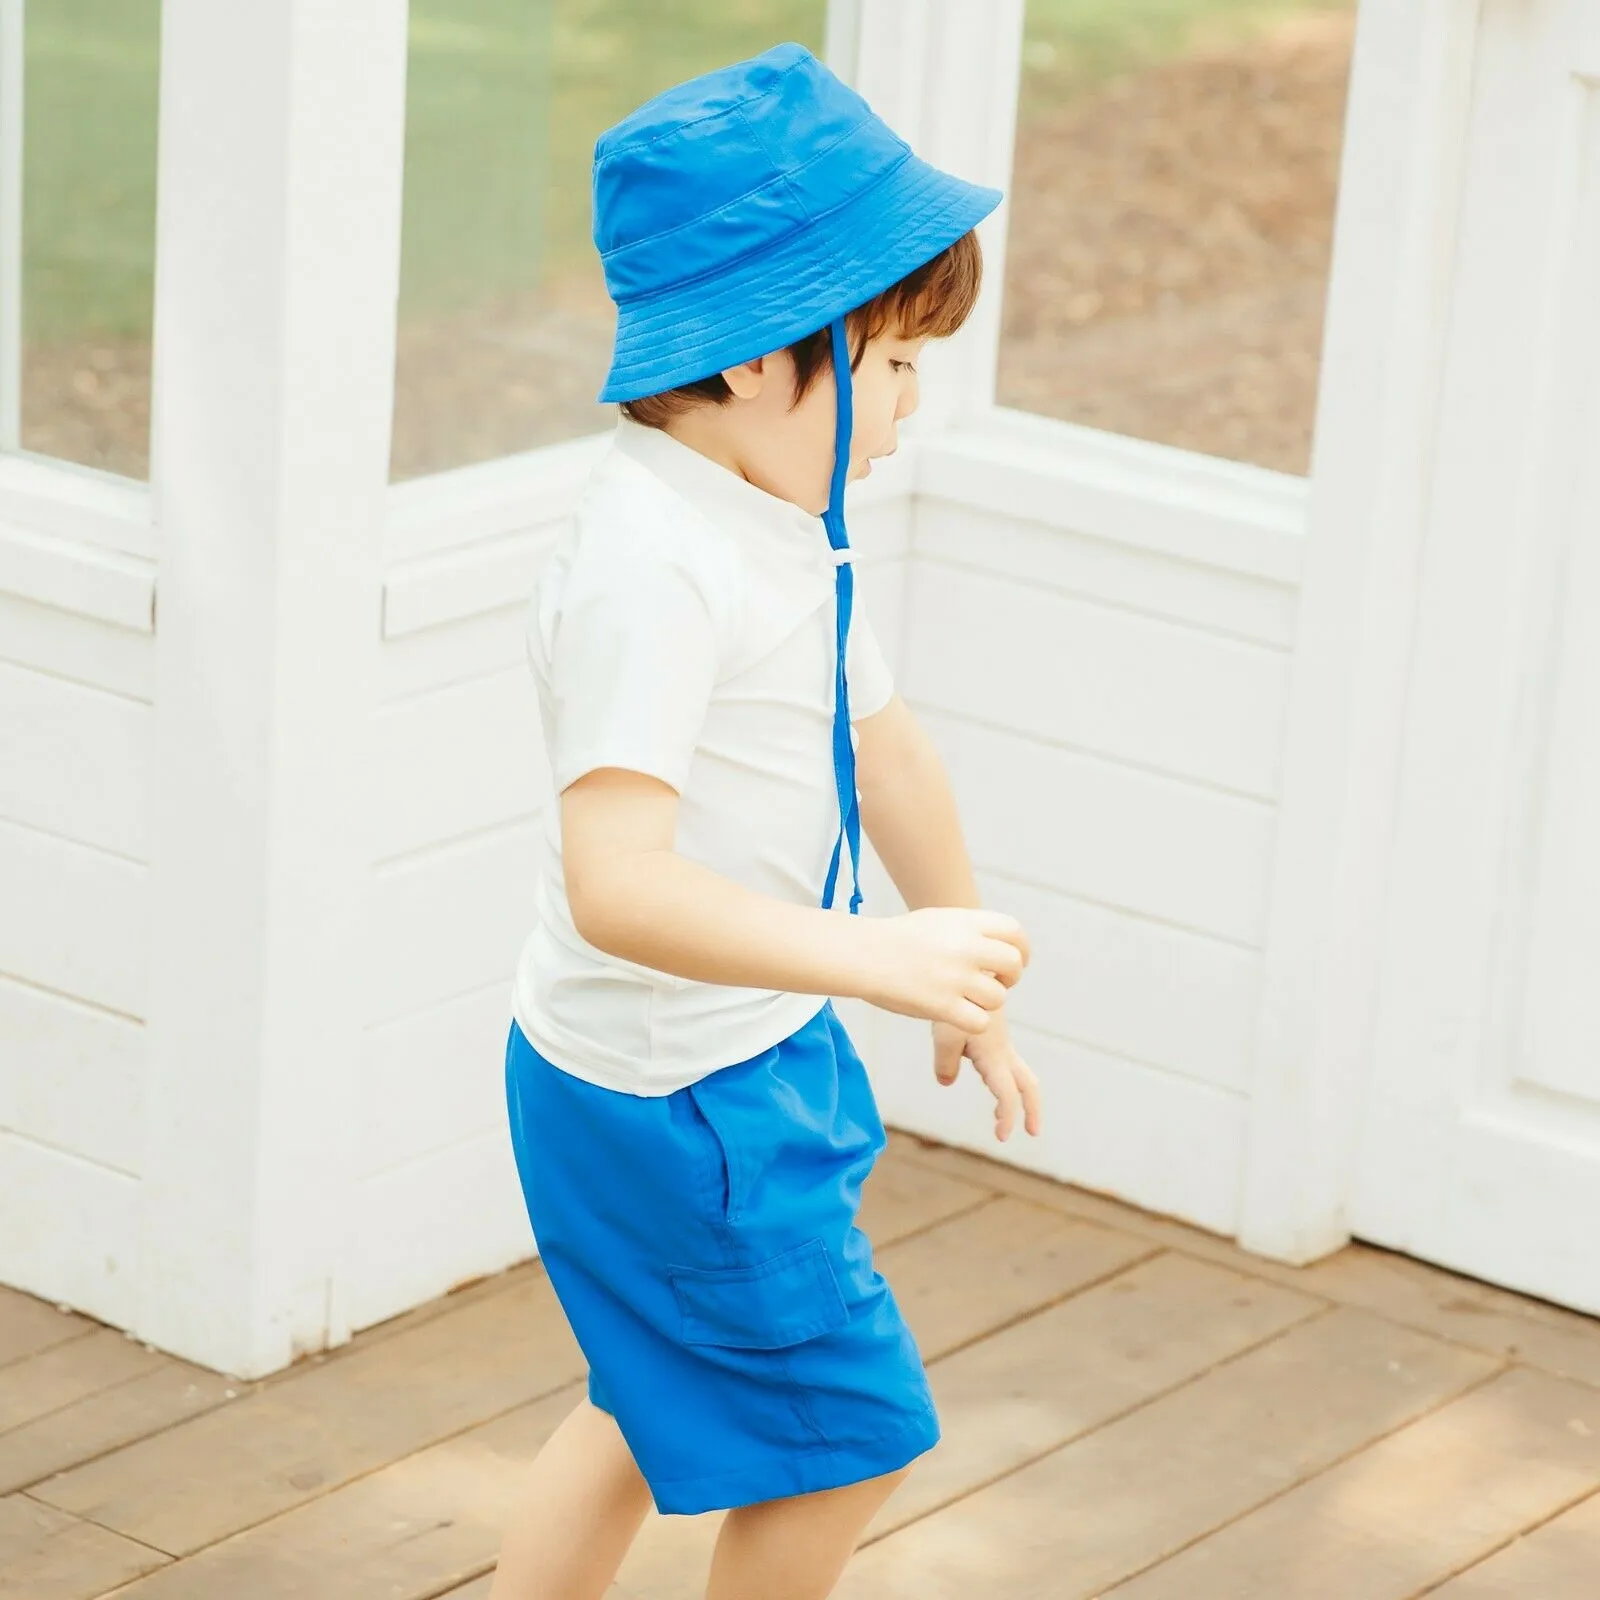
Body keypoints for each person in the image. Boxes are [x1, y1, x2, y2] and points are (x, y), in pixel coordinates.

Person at [493, 41, 1043, 1600]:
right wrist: (879, 958)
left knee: (641, 1398)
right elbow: (617, 883)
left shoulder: (779, 520)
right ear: (747, 361)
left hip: (740, 1049)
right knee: (847, 1441)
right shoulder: (651, 566)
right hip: (677, 1100)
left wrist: (962, 965)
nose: (914, 405)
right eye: (893, 363)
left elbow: (894, 755)